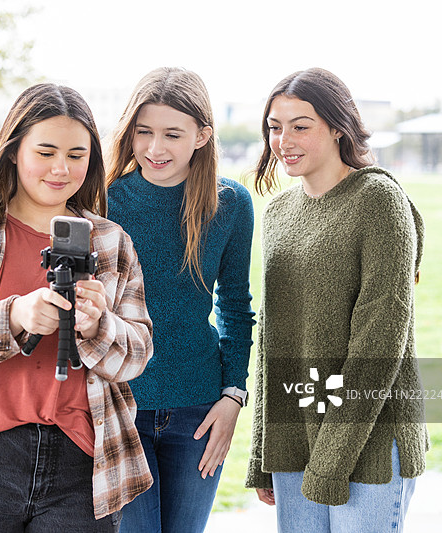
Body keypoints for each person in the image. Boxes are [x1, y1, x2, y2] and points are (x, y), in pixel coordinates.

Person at [0, 83, 154, 532]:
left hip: (83, 463)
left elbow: (136, 354)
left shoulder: (111, 241)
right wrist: (15, 315)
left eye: (77, 155)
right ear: (14, 150)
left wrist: (98, 325)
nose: (62, 168)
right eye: (47, 151)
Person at [245, 67, 428, 533]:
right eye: (274, 127)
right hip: (295, 435)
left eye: (300, 126)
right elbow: (273, 339)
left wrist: (331, 461)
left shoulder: (378, 200)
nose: (283, 140)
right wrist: (265, 454)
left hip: (369, 440)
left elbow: (379, 341)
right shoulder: (279, 212)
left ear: (337, 127)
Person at [105, 67, 256, 533]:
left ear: (202, 136)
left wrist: (233, 394)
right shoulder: (104, 201)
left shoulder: (229, 203)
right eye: (143, 132)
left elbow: (234, 305)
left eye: (173, 134)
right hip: (120, 404)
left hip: (200, 409)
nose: (155, 148)